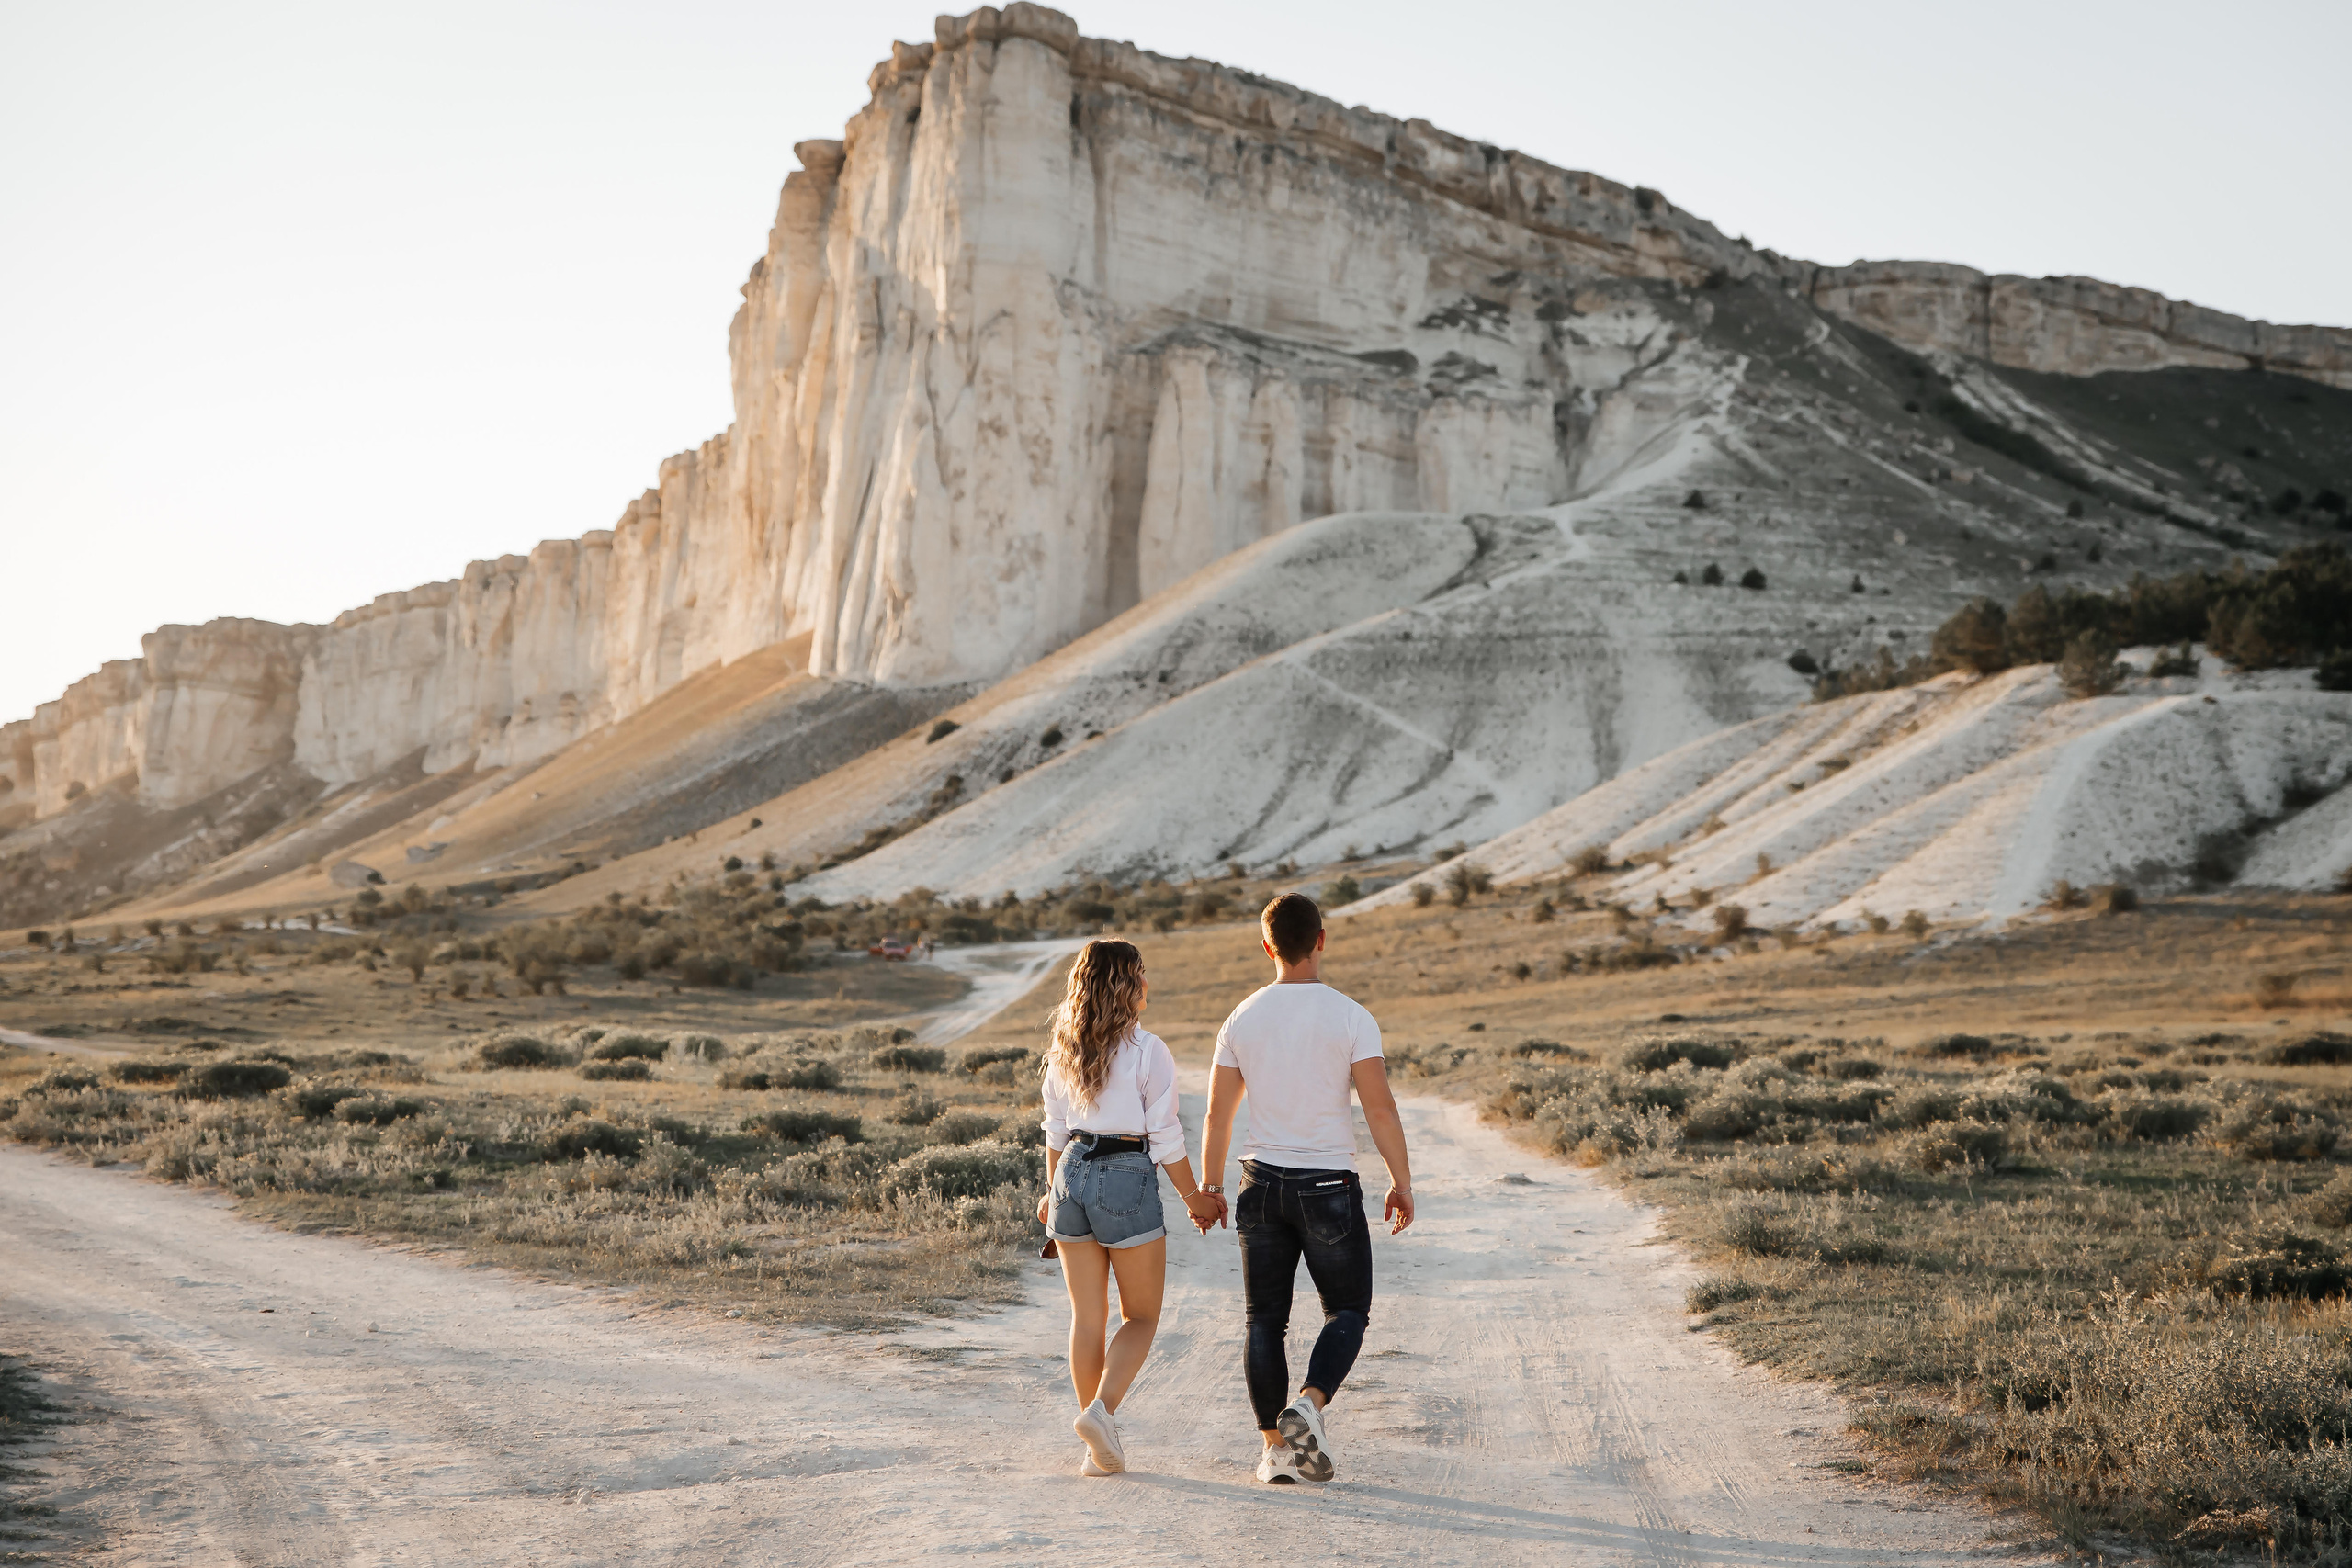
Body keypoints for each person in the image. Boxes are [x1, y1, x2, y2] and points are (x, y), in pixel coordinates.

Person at [1198, 892, 1414, 1484]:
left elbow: (1218, 1116)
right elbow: (1380, 1108)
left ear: (1267, 945)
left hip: (1260, 1184)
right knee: (1348, 1309)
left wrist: (1209, 1186)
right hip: (1328, 1187)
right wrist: (1401, 1182)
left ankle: (1274, 1451)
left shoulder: (1241, 1017)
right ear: (1321, 939)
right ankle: (1309, 1405)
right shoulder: (1350, 1016)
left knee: (1264, 1321)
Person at [1036, 938, 1223, 1476]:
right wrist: (1197, 1200)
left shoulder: (1062, 1050)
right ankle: (1100, 1414)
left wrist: (1052, 1192)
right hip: (1124, 1175)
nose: (1148, 985)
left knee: (1086, 1318)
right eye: (1141, 975)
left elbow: (1056, 1131)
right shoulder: (1147, 1051)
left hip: (1070, 1173)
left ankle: (1097, 1446)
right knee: (1140, 1316)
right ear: (1125, 985)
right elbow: (1165, 1138)